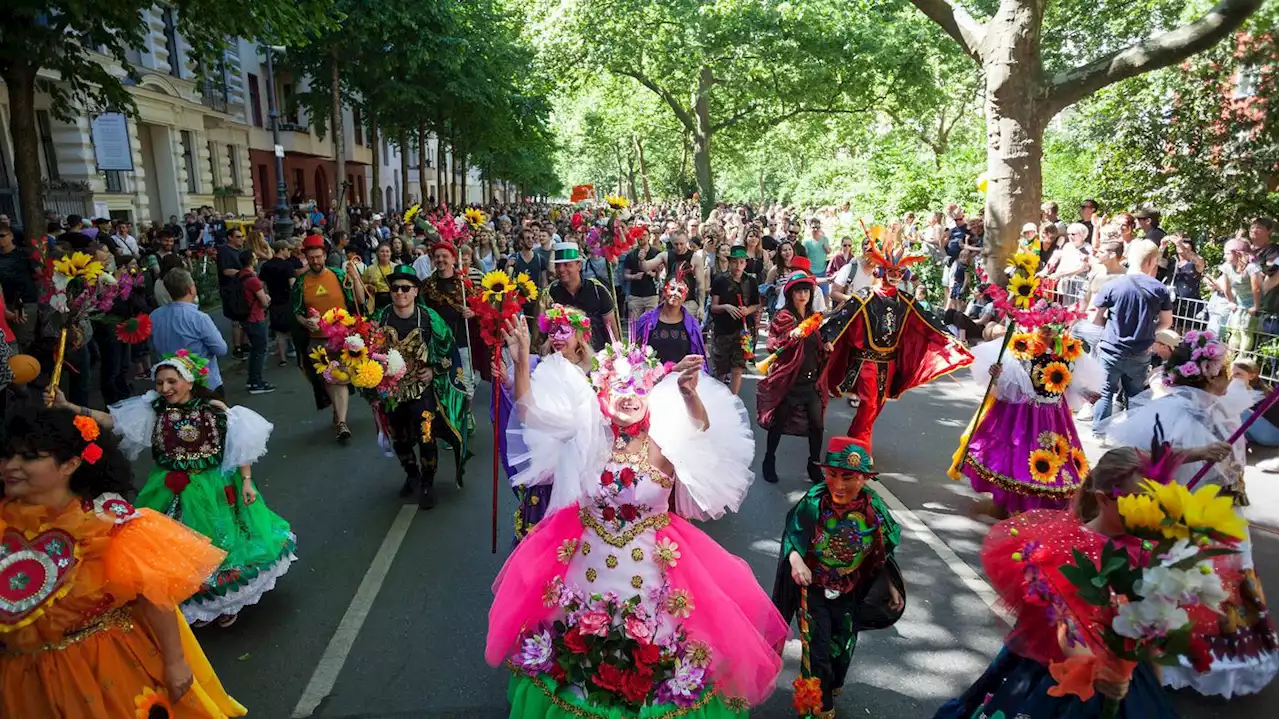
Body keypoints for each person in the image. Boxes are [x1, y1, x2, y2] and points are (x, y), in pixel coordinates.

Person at [487, 321, 788, 715]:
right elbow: (532, 416)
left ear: (649, 393)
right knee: (577, 655)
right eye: (618, 387)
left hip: (654, 571)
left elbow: (701, 432)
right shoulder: (588, 432)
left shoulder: (665, 441)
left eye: (637, 389)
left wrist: (689, 396)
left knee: (662, 653)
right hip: (586, 562)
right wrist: (522, 360)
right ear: (603, 392)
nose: (628, 397)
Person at [0, 404, 247, 718]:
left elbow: (153, 598)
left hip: (104, 670)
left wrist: (175, 661)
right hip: (21, 680)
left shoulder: (109, 524)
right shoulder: (4, 523)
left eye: (29, 457)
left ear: (70, 465)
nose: (10, 466)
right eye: (8, 455)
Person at [934, 448, 1183, 719]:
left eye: (1156, 502)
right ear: (1103, 499)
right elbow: (1064, 624)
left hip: (1127, 680)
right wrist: (1098, 673)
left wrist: (1155, 691)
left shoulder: (1147, 550)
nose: (1151, 512)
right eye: (1140, 502)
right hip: (1065, 677)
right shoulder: (1064, 551)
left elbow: (1152, 631)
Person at [57, 351, 294, 628]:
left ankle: (223, 602)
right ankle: (195, 600)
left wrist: (246, 480)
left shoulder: (213, 408)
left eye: (172, 381)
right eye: (159, 383)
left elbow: (239, 444)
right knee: (173, 547)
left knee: (217, 542)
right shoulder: (155, 409)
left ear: (189, 381)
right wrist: (69, 407)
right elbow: (112, 421)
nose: (165, 388)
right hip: (167, 486)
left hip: (211, 487)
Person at [1103, 329, 1279, 697]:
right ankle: (1175, 661)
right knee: (1185, 586)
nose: (1228, 377)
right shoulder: (1170, 411)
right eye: (1223, 370)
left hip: (1223, 513)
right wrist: (1195, 455)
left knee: (1226, 586)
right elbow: (1141, 463)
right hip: (1183, 517)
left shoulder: (1221, 406)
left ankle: (1219, 661)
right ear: (1206, 372)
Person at [772, 438, 902, 719]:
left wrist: (862, 566)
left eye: (848, 477)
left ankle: (830, 685)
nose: (839, 485)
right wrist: (796, 562)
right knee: (816, 647)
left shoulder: (875, 511)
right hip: (813, 588)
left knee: (841, 646)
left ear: (865, 478)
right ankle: (815, 706)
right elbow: (792, 536)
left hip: (850, 592)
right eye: (832, 475)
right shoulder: (814, 501)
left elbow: (889, 543)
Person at [820, 227, 973, 452]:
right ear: (881, 271)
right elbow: (843, 316)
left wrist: (951, 340)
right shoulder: (865, 296)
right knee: (870, 403)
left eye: (899, 271)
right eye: (890, 270)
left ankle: (856, 439)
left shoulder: (906, 300)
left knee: (877, 405)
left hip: (889, 364)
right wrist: (827, 337)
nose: (894, 275)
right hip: (866, 362)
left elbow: (929, 322)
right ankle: (860, 448)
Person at [949, 313, 1103, 517]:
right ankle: (1007, 501)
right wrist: (996, 375)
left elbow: (1069, 382)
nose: (1047, 328)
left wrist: (1085, 392)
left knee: (1051, 461)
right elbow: (1009, 384)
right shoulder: (1022, 347)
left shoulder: (1069, 350)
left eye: (1053, 323)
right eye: (1042, 324)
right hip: (1022, 414)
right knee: (1016, 456)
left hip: (1054, 416)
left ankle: (1041, 504)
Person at [371, 265, 472, 509]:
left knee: (427, 436)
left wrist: (434, 369)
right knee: (400, 440)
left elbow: (449, 351)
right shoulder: (380, 317)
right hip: (391, 393)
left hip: (421, 390)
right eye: (395, 288)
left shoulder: (429, 319)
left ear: (416, 291)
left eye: (405, 288)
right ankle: (412, 474)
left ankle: (428, 482)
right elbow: (366, 351)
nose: (400, 293)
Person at [499, 304, 594, 541]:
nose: (556, 337)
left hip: (585, 465)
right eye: (552, 331)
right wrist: (516, 370)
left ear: (579, 334)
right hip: (548, 465)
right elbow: (526, 408)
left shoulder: (598, 370)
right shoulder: (540, 365)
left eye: (563, 330)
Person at [1090, 240, 1174, 437]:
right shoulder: (1159, 289)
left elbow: (1096, 318)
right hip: (1140, 352)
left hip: (1111, 348)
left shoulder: (1112, 285)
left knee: (1105, 392)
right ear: (1152, 261)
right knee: (1135, 395)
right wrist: (1147, 330)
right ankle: (1132, 434)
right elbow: (1166, 322)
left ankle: (1099, 434)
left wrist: (1112, 326)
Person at [291, 234, 367, 442]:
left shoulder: (338, 275)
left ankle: (341, 422)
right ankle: (339, 413)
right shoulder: (301, 283)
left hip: (342, 338)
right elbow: (296, 311)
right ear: (306, 257)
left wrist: (355, 277)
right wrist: (305, 321)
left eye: (319, 256)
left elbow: (359, 300)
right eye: (311, 257)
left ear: (325, 255)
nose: (315, 261)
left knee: (340, 378)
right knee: (329, 379)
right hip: (317, 341)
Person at [757, 265, 829, 484]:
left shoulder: (814, 318)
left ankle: (814, 464)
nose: (803, 295)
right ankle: (769, 460)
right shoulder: (783, 318)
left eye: (806, 291)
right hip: (789, 381)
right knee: (778, 423)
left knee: (817, 425)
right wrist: (791, 336)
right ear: (790, 294)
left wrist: (826, 346)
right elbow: (773, 344)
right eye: (798, 291)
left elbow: (817, 343)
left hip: (812, 381)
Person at [150, 268, 229, 399]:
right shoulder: (199, 318)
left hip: (170, 386)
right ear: (191, 289)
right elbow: (221, 349)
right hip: (204, 384)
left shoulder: (155, 316)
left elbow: (153, 345)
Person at [420, 240, 480, 392]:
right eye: (437, 256)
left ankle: (465, 414)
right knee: (440, 387)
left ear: (453, 259)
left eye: (444, 256)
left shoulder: (464, 283)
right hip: (437, 345)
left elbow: (481, 307)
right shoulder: (426, 285)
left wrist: (473, 312)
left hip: (461, 341)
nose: (440, 260)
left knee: (464, 387)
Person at [545, 241, 617, 351]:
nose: (561, 269)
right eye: (557, 265)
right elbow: (544, 332)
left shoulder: (597, 290)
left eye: (567, 265)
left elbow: (611, 328)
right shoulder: (550, 293)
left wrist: (615, 355)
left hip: (597, 357)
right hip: (563, 360)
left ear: (579, 265)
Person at [708, 246, 761, 394]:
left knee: (737, 367)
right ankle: (718, 398)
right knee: (721, 369)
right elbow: (713, 307)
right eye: (735, 262)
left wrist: (747, 310)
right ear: (730, 262)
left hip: (743, 331)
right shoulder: (720, 280)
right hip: (723, 330)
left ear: (746, 263)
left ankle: (734, 398)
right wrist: (726, 307)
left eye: (741, 262)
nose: (738, 266)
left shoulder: (750, 281)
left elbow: (756, 304)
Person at [634, 273, 708, 367]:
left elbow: (698, 359)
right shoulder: (646, 320)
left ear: (685, 296)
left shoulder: (692, 325)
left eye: (680, 290)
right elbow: (635, 351)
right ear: (664, 291)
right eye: (672, 288)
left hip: (681, 378)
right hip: (652, 378)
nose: (675, 294)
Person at [640, 228, 705, 320]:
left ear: (686, 241)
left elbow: (700, 285)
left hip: (688, 302)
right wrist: (642, 260)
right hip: (669, 301)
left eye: (681, 244)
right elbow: (646, 266)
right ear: (671, 242)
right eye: (676, 244)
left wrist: (701, 306)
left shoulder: (695, 258)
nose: (679, 247)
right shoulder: (665, 255)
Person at [237, 253, 275, 395]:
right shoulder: (253, 279)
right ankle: (256, 382)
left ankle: (252, 379)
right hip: (255, 317)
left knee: (255, 350)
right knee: (260, 350)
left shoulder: (239, 276)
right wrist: (267, 299)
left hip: (245, 317)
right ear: (252, 261)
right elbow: (264, 302)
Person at [259, 240, 298, 368]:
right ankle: (296, 352)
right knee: (293, 328)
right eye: (288, 249)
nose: (289, 252)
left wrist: (265, 297)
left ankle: (282, 358)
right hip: (288, 301)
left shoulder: (266, 266)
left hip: (274, 301)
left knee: (279, 332)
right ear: (281, 250)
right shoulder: (287, 266)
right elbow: (292, 285)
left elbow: (261, 284)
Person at [216, 227, 249, 359]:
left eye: (242, 236)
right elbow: (226, 271)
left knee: (245, 317)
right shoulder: (225, 251)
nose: (242, 239)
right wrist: (245, 273)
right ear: (230, 237)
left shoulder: (239, 251)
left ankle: (245, 343)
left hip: (241, 288)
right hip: (230, 289)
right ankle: (237, 347)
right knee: (236, 320)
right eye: (238, 237)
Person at [624, 228, 662, 319]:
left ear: (649, 237)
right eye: (639, 235)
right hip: (635, 296)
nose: (641, 237)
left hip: (651, 296)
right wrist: (634, 277)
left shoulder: (656, 254)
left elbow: (660, 276)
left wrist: (653, 273)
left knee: (650, 326)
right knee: (634, 326)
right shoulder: (631, 255)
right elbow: (625, 275)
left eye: (644, 235)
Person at [363, 242, 399, 310]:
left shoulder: (396, 268)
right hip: (376, 300)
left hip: (393, 298)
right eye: (382, 251)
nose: (385, 254)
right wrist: (368, 287)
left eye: (387, 251)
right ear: (377, 253)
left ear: (391, 253)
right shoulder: (370, 269)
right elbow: (363, 283)